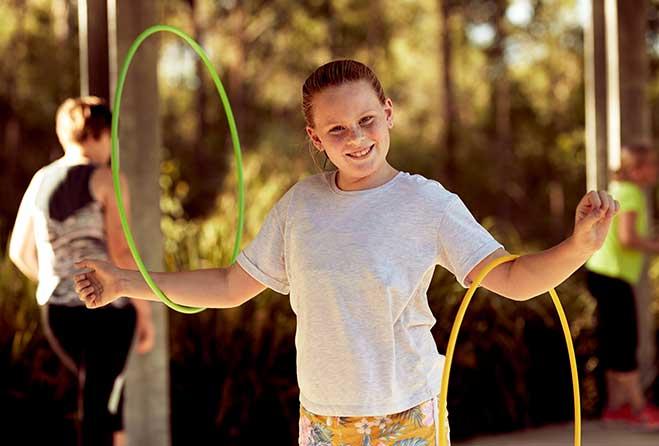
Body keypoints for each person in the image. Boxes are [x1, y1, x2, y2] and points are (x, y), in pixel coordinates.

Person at [73, 60, 617, 446]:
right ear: (315, 138)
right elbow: (227, 287)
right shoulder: (299, 206)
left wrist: (578, 246)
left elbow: (516, 279)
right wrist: (124, 281)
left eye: (366, 121)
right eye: (336, 129)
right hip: (324, 421)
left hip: (409, 417)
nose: (355, 138)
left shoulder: (426, 203)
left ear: (388, 112)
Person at [9, 96, 155, 446]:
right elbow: (120, 252)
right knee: (99, 399)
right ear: (102, 134)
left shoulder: (40, 180)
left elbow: (18, 252)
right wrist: (145, 312)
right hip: (108, 311)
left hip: (58, 313)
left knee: (101, 388)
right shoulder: (107, 178)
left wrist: (54, 281)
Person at [585, 144, 659, 429]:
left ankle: (615, 408)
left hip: (601, 274)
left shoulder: (617, 188)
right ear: (638, 169)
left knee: (614, 339)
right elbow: (628, 238)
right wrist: (655, 245)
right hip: (612, 277)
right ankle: (640, 408)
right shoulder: (632, 194)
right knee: (626, 340)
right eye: (652, 165)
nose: (655, 170)